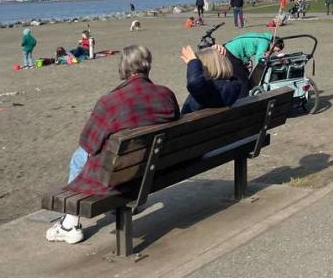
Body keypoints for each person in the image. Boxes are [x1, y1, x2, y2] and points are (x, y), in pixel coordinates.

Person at [45, 45, 179, 244]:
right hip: (154, 167)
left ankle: (69, 225)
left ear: (124, 68)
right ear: (147, 66)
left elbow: (89, 143)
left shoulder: (111, 102)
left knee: (79, 157)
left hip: (123, 168)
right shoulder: (165, 94)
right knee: (122, 152)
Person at [179, 44, 248, 113]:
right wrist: (218, 55)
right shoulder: (231, 86)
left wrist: (193, 63)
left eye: (199, 67)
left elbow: (195, 84)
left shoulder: (210, 93)